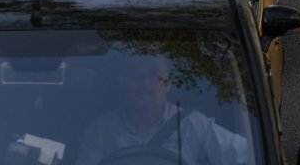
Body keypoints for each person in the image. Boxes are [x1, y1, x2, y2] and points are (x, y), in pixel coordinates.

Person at [78, 58, 253, 165]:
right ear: (123, 83)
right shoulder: (100, 132)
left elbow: (247, 155)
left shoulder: (192, 124)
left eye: (155, 75)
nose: (145, 84)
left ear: (168, 84)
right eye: (136, 75)